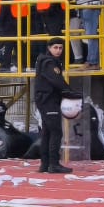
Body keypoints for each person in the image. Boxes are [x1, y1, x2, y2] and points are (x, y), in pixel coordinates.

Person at [31, 38, 79, 174]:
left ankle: (45, 164)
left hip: (46, 99)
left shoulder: (47, 61)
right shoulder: (49, 62)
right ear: (49, 48)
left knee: (47, 132)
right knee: (56, 131)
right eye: (55, 48)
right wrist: (71, 92)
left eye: (60, 48)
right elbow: (57, 81)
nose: (58, 50)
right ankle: (53, 164)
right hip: (48, 100)